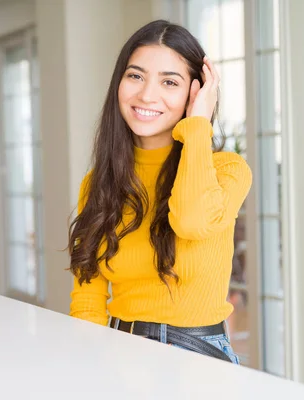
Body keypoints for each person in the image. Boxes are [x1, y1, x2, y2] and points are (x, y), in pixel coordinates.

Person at [67, 20, 252, 364]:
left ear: (195, 93)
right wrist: (88, 365)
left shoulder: (227, 170)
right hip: (117, 354)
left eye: (170, 81)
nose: (147, 95)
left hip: (198, 359)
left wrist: (198, 124)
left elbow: (192, 222)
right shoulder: (98, 183)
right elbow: (87, 297)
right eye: (135, 76)